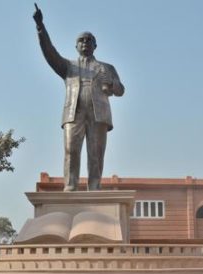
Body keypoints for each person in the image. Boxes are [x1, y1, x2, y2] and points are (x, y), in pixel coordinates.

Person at [33, 3, 124, 191]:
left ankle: (94, 186)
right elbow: (49, 52)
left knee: (96, 154)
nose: (85, 43)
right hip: (73, 113)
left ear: (95, 45)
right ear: (76, 46)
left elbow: (121, 90)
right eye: (81, 40)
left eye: (89, 40)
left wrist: (112, 84)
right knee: (71, 150)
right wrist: (40, 27)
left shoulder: (107, 68)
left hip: (99, 114)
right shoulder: (68, 67)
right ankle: (70, 186)